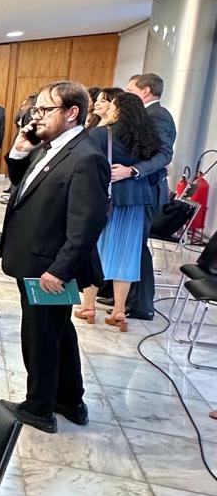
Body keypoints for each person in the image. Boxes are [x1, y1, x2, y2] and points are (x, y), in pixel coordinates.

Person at [0, 80, 110, 433]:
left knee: (41, 335)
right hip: (35, 257)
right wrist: (20, 151)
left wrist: (60, 270)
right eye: (37, 109)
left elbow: (87, 224)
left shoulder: (86, 157)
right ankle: (69, 399)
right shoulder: (50, 146)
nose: (37, 117)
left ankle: (38, 407)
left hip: (49, 266)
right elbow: (25, 185)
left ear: (72, 112)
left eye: (46, 110)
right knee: (58, 332)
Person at [76, 93, 161, 332]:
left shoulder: (102, 133)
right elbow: (155, 168)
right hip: (136, 201)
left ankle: (88, 307)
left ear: (119, 110)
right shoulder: (148, 136)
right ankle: (119, 311)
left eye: (112, 105)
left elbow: (89, 163)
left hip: (107, 199)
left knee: (95, 251)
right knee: (127, 255)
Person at [119, 73, 177, 321]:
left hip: (147, 190)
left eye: (130, 89)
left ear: (145, 91)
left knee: (138, 246)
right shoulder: (146, 114)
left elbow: (164, 154)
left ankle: (142, 304)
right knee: (131, 244)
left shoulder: (157, 115)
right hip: (138, 189)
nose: (125, 93)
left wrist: (133, 170)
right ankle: (124, 296)